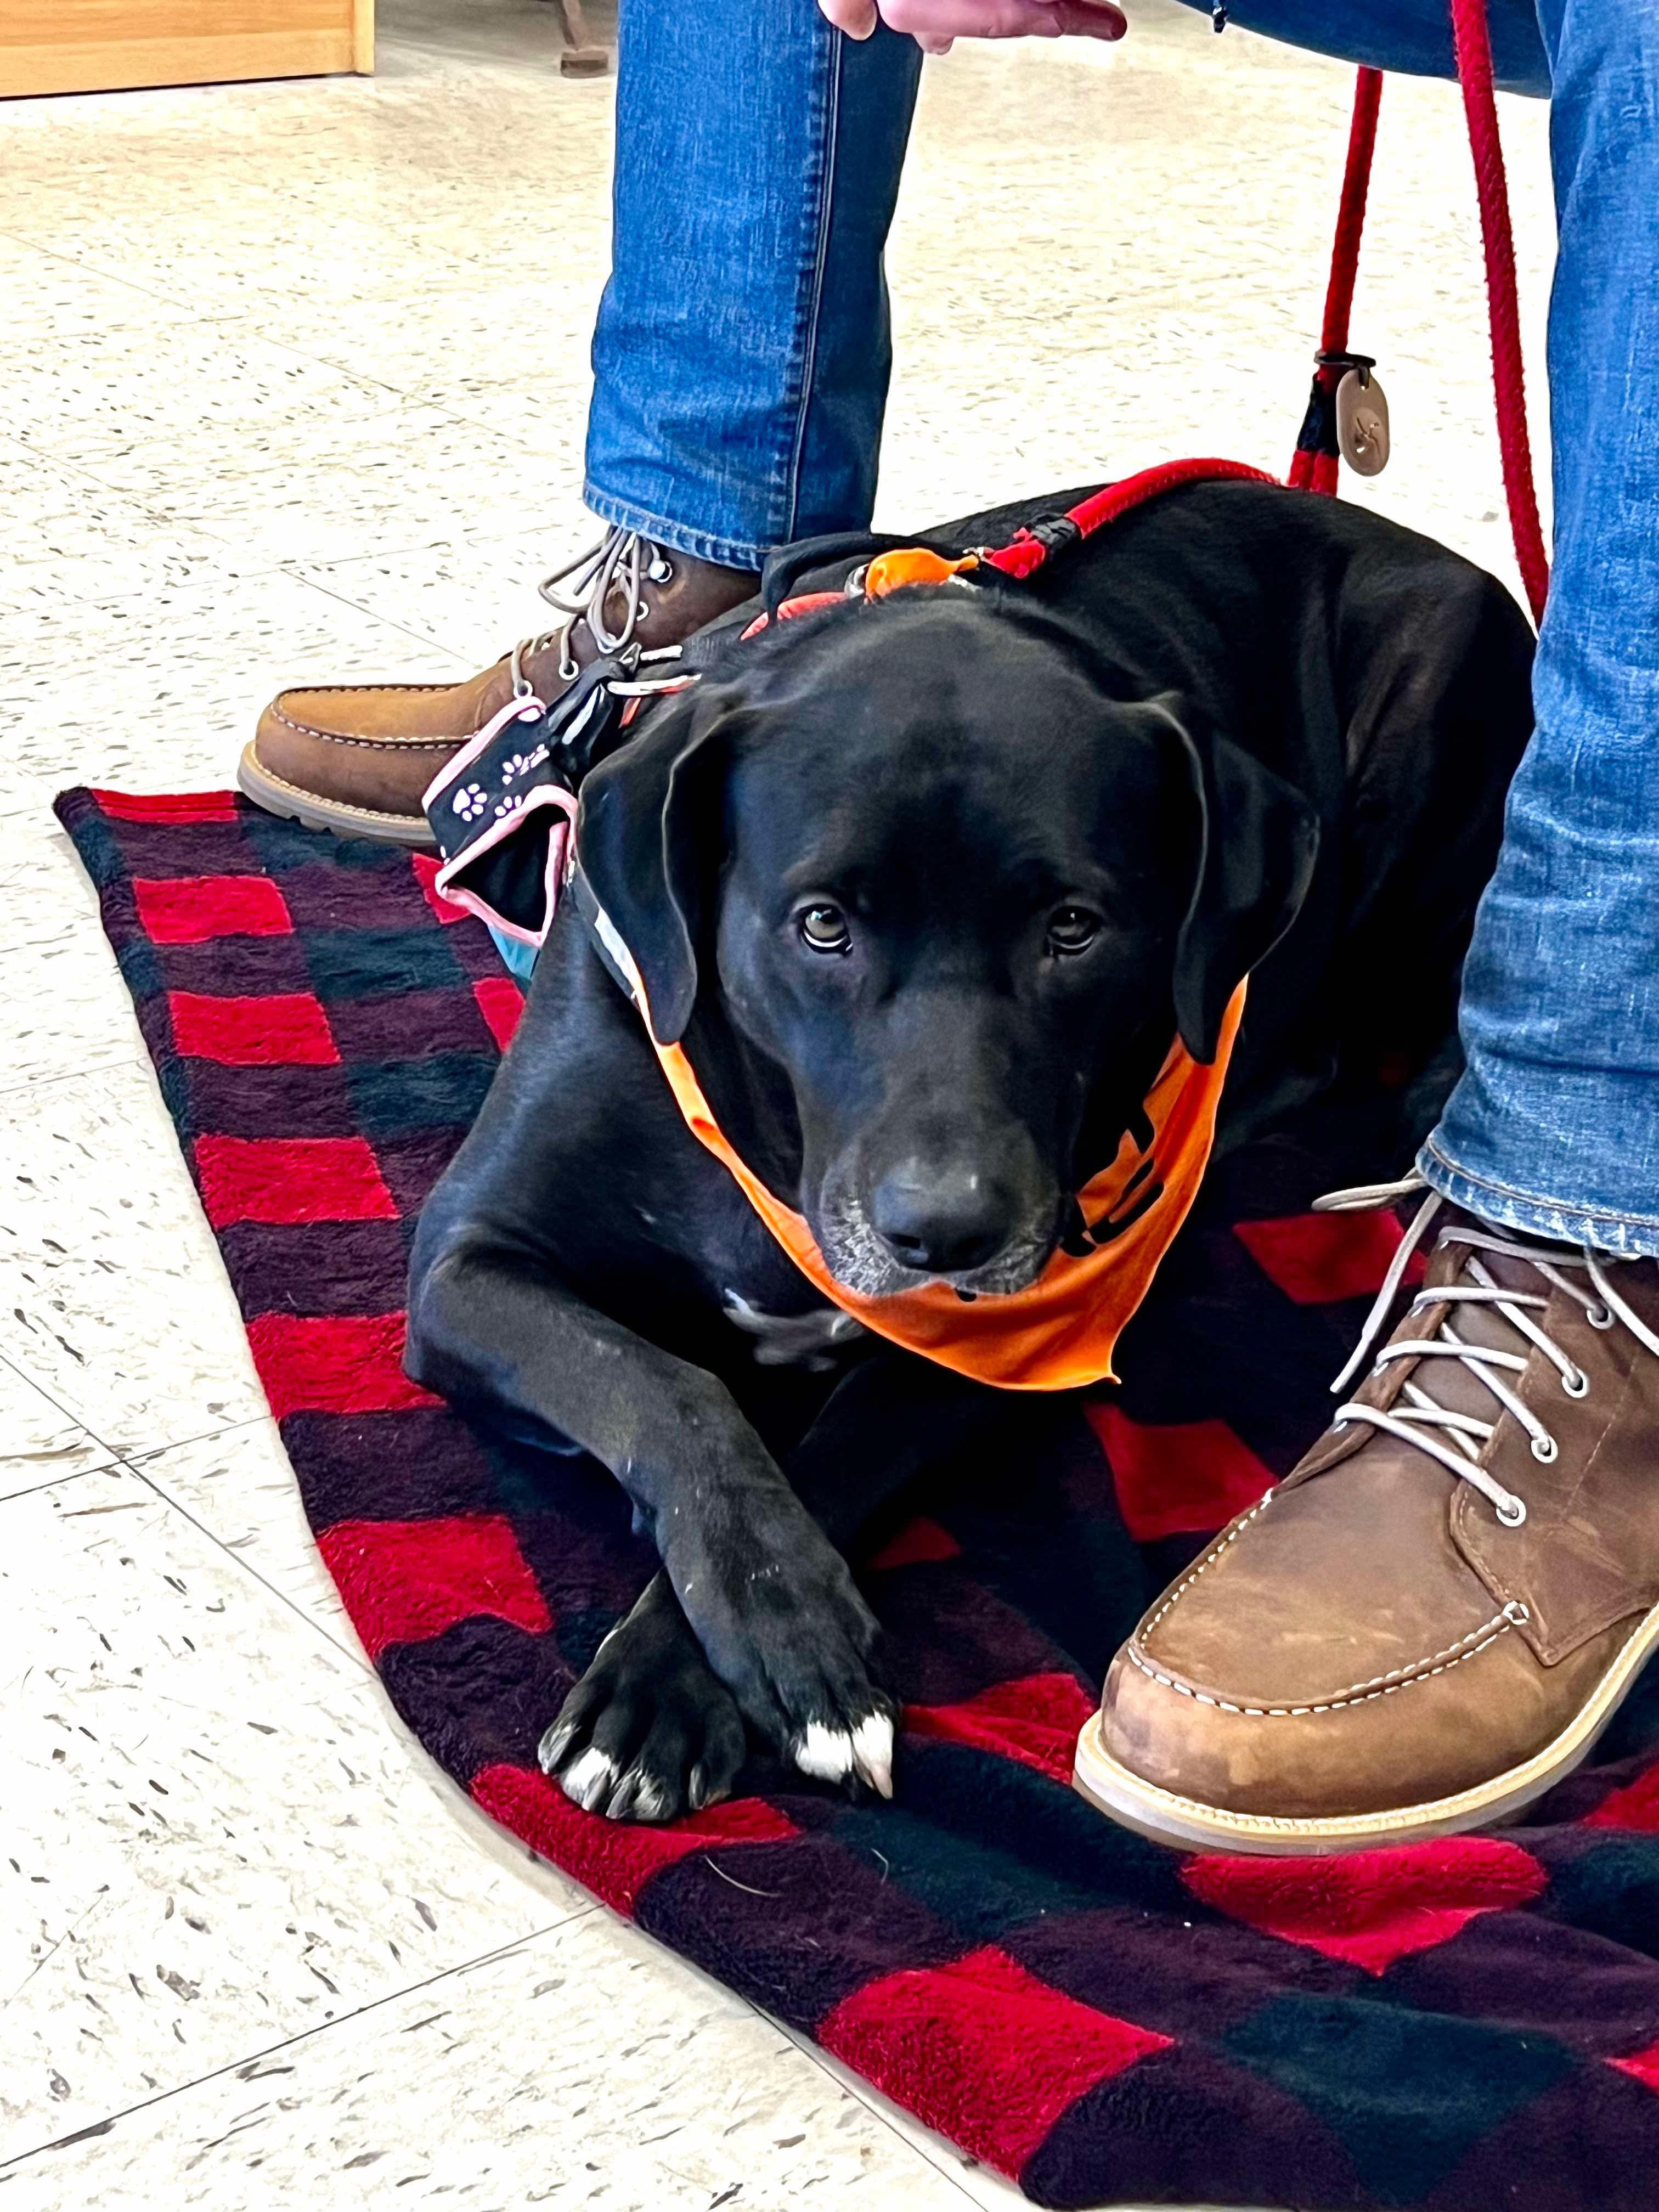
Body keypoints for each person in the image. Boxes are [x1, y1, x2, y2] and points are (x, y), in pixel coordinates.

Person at [240, 0, 1659, 1850]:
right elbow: (472, 1285)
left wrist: (804, 1521)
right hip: (781, 726)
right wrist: (712, 1494)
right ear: (684, 884)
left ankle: (1556, 1166)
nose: (945, 1178)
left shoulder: (1175, 783)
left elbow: (982, 1315)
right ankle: (691, 577)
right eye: (828, 931)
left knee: (1441, 650)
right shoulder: (670, 869)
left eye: (1066, 932)